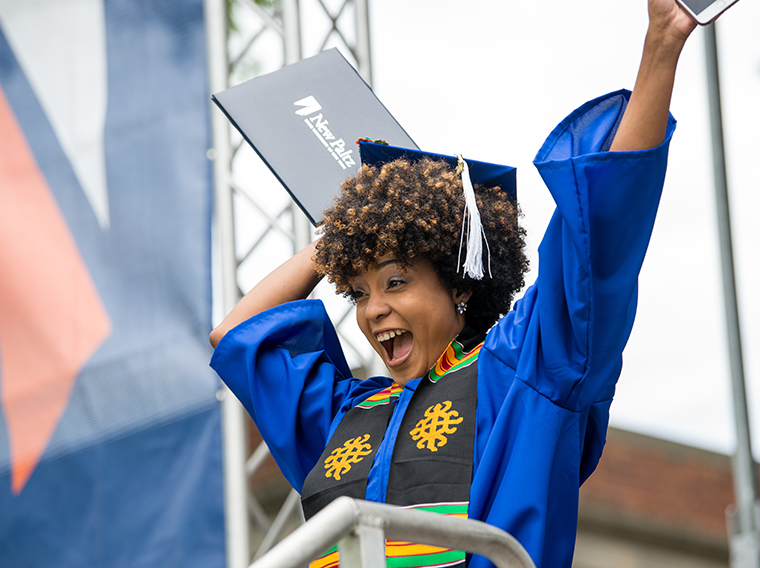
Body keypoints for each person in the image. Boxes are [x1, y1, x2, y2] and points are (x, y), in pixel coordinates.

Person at [210, 2, 702, 567]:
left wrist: (660, 45)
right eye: (358, 292)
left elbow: (597, 246)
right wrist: (342, 235)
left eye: (395, 281)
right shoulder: (347, 417)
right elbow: (237, 334)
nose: (373, 311)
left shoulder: (520, 375)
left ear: (460, 286)